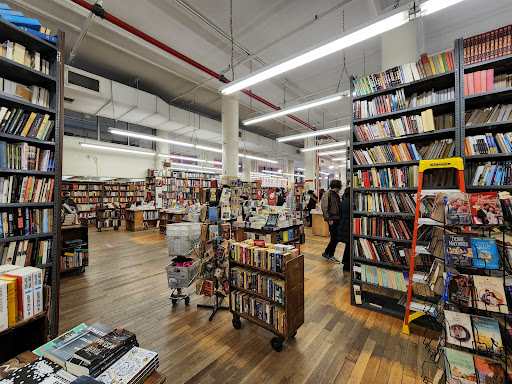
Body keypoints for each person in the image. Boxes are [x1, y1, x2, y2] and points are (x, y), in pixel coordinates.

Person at [320, 179, 342, 262]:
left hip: (336, 219)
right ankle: (330, 254)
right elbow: (324, 208)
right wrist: (329, 219)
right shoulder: (328, 194)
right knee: (334, 238)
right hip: (332, 219)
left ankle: (327, 252)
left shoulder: (335, 194)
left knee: (335, 238)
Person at [337, 187, 351, 271]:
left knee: (348, 245)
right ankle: (347, 264)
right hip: (349, 224)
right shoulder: (353, 202)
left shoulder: (343, 202)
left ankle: (346, 264)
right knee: (350, 246)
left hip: (343, 224)